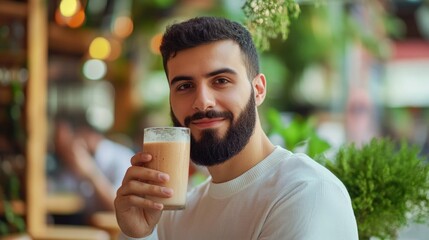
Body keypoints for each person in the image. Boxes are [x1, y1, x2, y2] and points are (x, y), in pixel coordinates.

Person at [115, 16, 359, 239]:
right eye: (184, 86)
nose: (202, 101)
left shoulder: (306, 193)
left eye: (221, 81)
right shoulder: (176, 212)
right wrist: (137, 235)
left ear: (259, 90)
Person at [52, 118, 134, 224]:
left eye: (68, 142)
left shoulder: (122, 159)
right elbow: (61, 188)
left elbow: (120, 208)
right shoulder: (74, 160)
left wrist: (90, 172)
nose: (63, 149)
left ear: (88, 134)